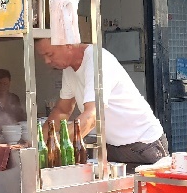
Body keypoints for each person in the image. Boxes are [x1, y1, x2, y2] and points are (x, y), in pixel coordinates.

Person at [36, 39, 168, 169]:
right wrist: (39, 142)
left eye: (50, 54)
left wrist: (56, 143)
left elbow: (92, 116)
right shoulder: (69, 69)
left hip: (143, 146)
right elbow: (62, 110)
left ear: (68, 44)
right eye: (43, 57)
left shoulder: (97, 60)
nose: (47, 61)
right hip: (112, 147)